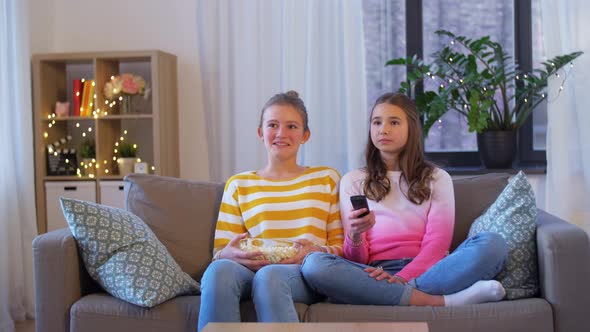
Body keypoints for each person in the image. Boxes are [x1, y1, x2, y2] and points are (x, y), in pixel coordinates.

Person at [300, 92, 508, 307]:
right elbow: (357, 260)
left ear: (411, 128)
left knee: (493, 244)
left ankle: (390, 295)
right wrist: (355, 234)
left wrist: (402, 278)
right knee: (314, 264)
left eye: (394, 122)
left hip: (429, 271)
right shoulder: (353, 181)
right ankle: (440, 301)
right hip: (373, 272)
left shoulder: (437, 178)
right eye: (377, 122)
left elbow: (436, 245)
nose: (383, 129)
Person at [198, 91, 343, 331]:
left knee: (271, 277)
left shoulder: (326, 179)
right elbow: (221, 251)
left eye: (292, 126)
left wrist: (314, 251)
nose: (281, 133)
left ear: (305, 135)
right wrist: (227, 255)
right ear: (260, 132)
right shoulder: (239, 184)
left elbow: (342, 246)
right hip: (250, 271)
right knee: (218, 272)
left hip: (302, 274)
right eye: (273, 125)